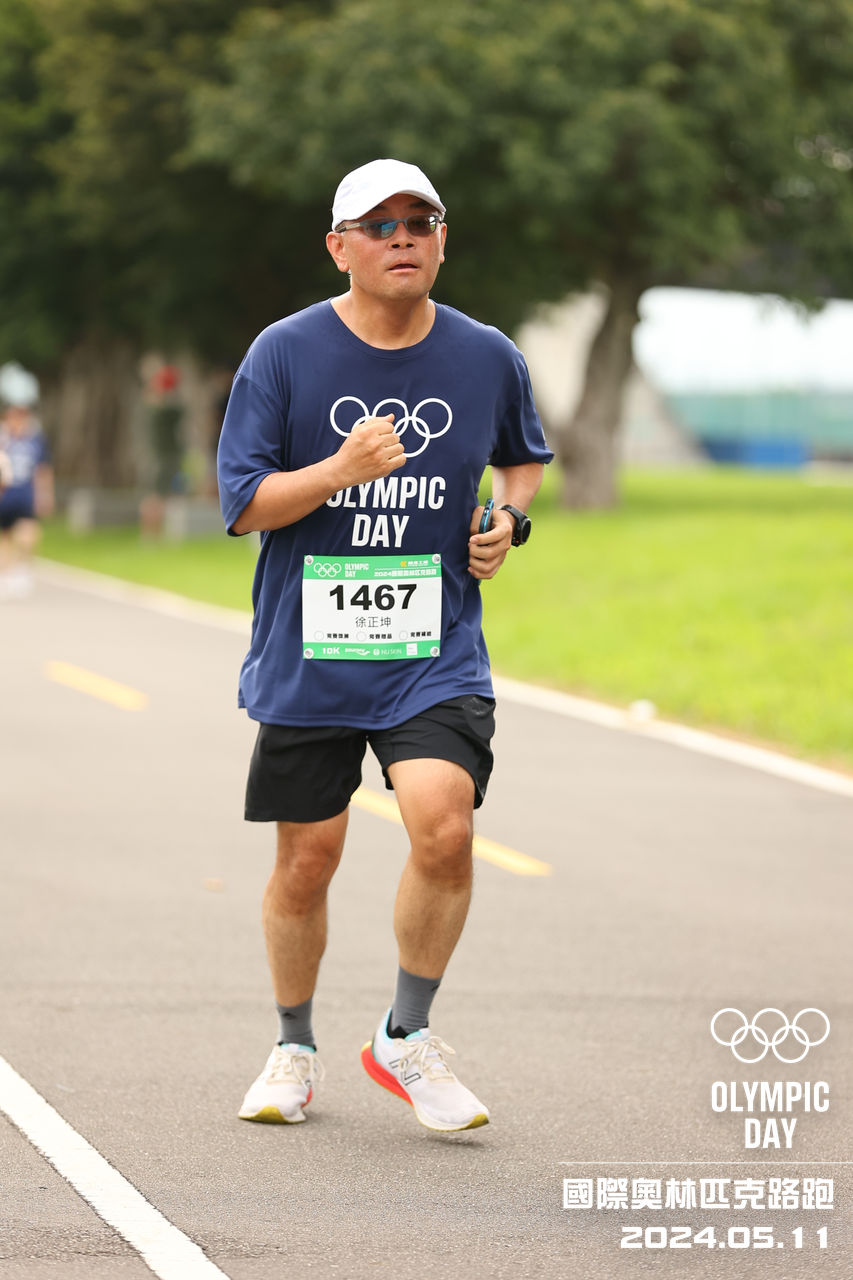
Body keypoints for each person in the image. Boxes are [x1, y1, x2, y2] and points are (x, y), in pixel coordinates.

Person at [217, 158, 552, 1132]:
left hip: (432, 649)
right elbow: (243, 503)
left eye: (420, 219)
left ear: (442, 239)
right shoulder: (283, 353)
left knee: (444, 826)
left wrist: (507, 520)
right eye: (379, 224)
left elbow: (522, 459)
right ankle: (292, 1046)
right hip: (311, 651)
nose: (402, 235)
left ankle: (405, 1034)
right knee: (307, 860)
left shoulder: (486, 355)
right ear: (340, 247)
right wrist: (338, 469)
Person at [0, 400, 54, 600]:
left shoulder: (35, 441)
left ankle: (22, 570)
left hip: (25, 494)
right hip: (5, 494)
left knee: (28, 531)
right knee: (5, 534)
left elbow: (43, 469)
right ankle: (5, 573)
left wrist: (45, 495)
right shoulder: (3, 439)